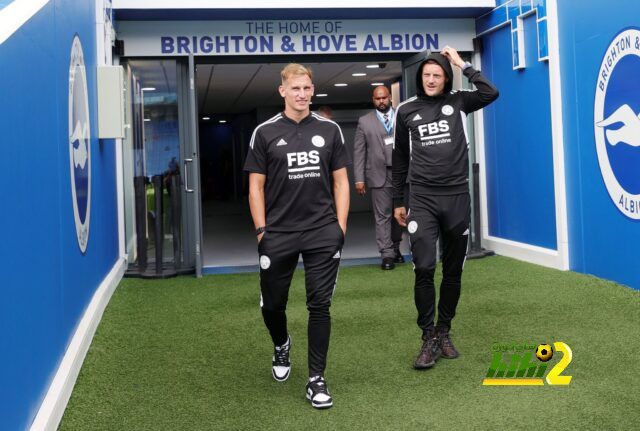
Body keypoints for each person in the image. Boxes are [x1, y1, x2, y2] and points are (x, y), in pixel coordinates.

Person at [243, 63, 350, 409]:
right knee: (273, 305)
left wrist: (340, 228)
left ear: (312, 90)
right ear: (283, 91)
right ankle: (281, 344)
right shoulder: (265, 132)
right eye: (296, 88)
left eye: (307, 88)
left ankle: (316, 378)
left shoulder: (330, 130)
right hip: (278, 233)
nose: (302, 94)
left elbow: (341, 182)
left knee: (320, 305)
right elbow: (255, 187)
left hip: (322, 231)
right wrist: (262, 231)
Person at [392, 46, 498, 369]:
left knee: (453, 271)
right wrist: (398, 199)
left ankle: (444, 330)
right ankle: (427, 337)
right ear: (419, 78)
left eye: (437, 74)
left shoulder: (459, 102)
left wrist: (462, 64)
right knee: (424, 267)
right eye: (427, 75)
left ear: (446, 77)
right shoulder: (406, 111)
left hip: (456, 198)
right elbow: (399, 159)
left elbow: (491, 92)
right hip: (422, 198)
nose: (432, 79)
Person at [353, 86, 404, 270]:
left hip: (403, 175)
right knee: (382, 216)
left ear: (390, 98)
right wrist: (359, 178)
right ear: (373, 100)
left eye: (384, 98)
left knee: (401, 213)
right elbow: (359, 152)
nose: (381, 101)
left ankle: (396, 248)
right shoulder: (364, 121)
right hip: (378, 175)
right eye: (377, 99)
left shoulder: (402, 115)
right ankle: (387, 255)